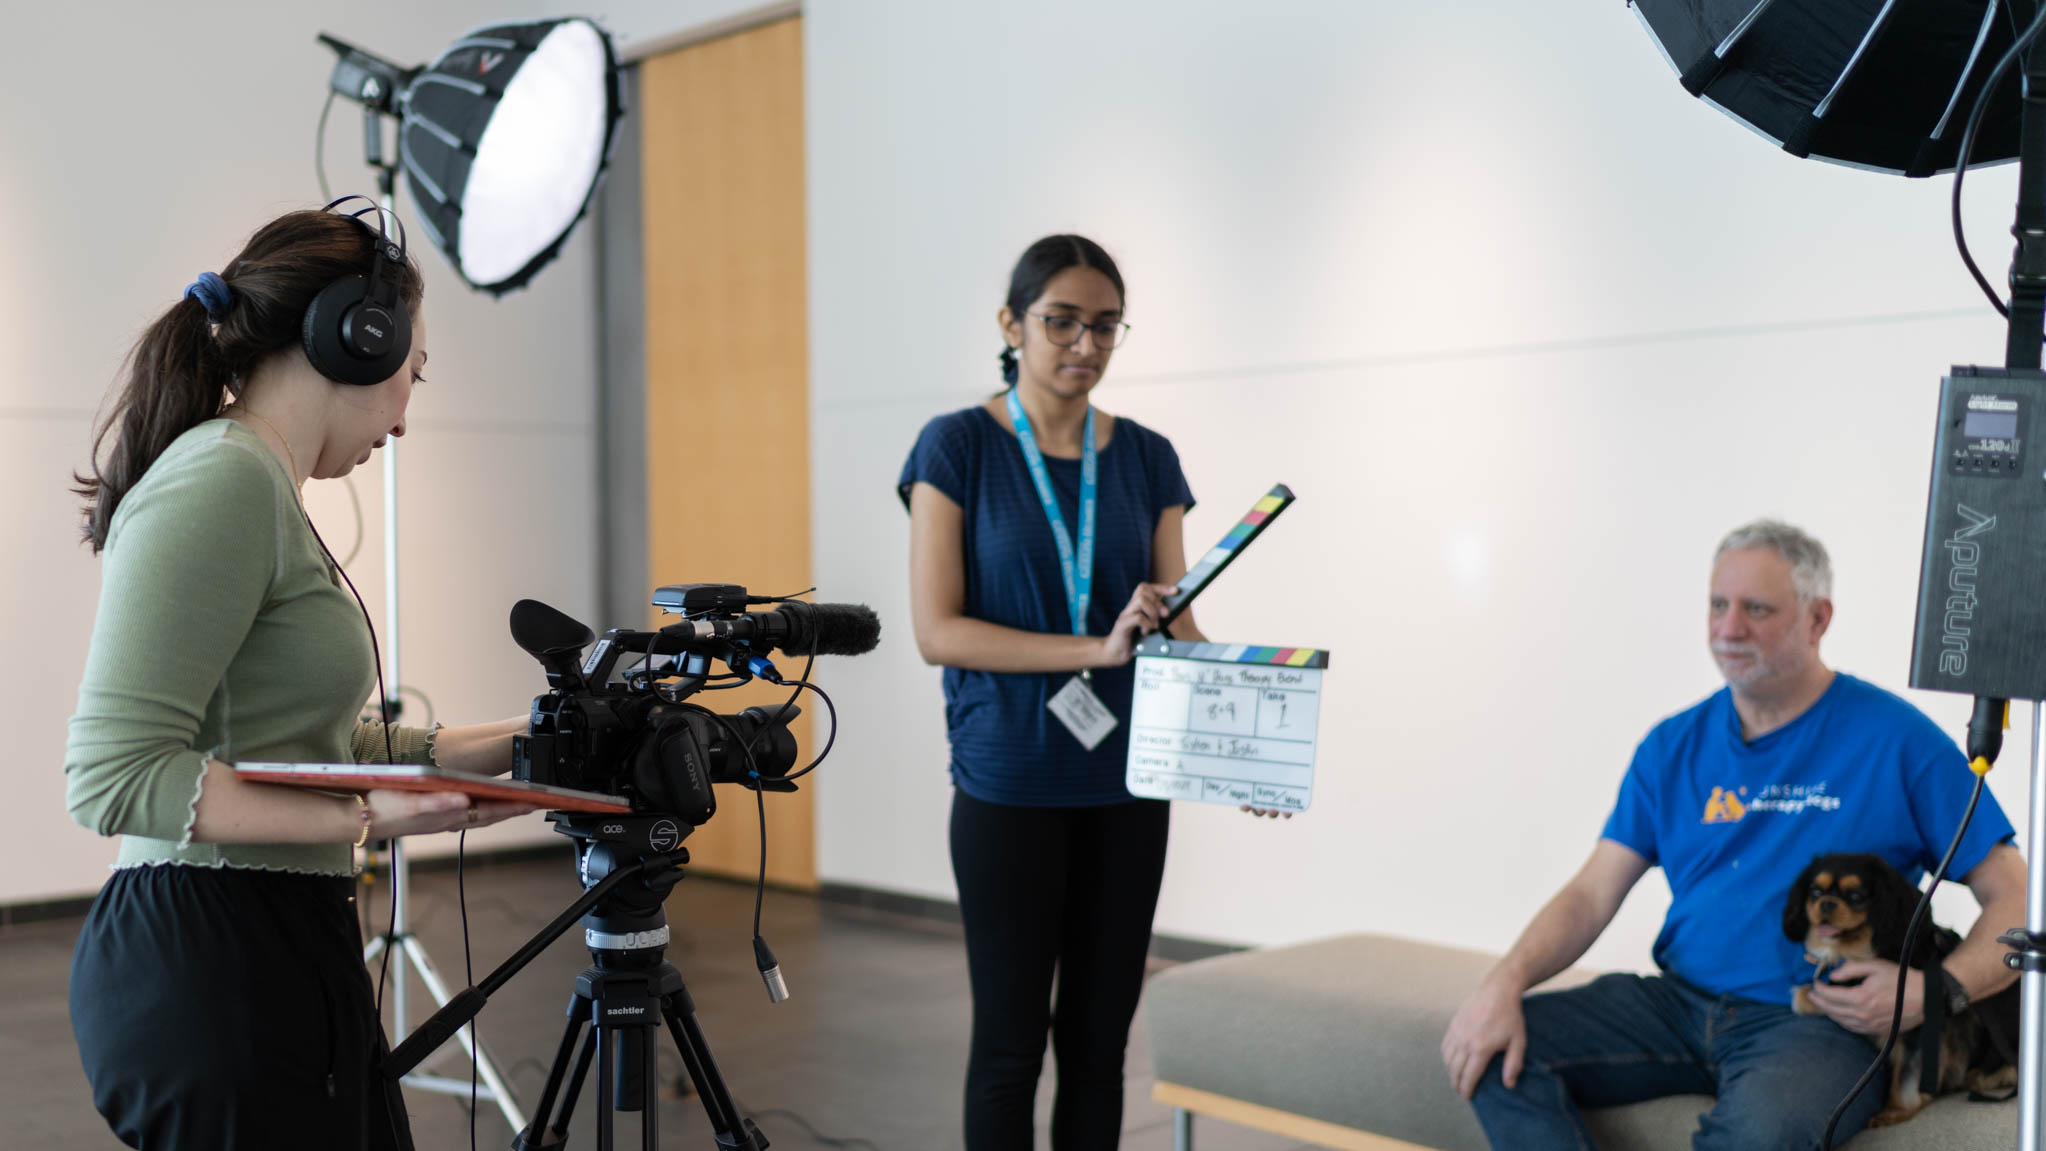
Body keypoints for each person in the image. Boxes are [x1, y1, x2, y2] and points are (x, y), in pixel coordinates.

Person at [64, 203, 540, 1151]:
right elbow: (111, 777)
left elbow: (299, 734)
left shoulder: (261, 479)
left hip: (268, 933)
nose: (405, 415)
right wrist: (365, 817)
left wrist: (515, 750)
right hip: (216, 953)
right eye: (415, 374)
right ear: (358, 340)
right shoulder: (225, 479)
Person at [1439, 519, 2028, 1149]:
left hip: (1813, 1023)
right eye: (1718, 605)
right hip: (1674, 1006)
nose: (1727, 629)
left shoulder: (1898, 741)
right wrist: (1502, 984)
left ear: (1818, 618)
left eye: (1757, 609)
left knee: (1758, 1137)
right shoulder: (1673, 746)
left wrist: (1937, 992)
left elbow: (2019, 897)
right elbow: (1590, 896)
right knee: (1496, 1051)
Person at [901, 234, 1216, 1149]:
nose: (1085, 344)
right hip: (1008, 786)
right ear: (1012, 323)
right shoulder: (955, 447)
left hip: (1127, 784)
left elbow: (1181, 624)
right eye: (1062, 321)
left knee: (1099, 1045)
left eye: (1106, 326)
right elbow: (938, 631)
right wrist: (1096, 646)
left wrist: (1247, 749)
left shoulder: (1150, 458)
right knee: (1009, 1047)